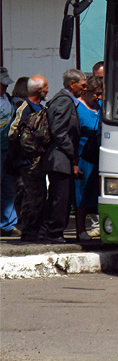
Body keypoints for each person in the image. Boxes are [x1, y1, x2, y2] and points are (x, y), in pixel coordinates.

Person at [37, 69, 85, 245]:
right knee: (60, 198)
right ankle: (54, 232)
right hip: (59, 158)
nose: (84, 89)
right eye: (83, 85)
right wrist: (71, 152)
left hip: (58, 157)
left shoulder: (62, 100)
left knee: (57, 196)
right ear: (72, 84)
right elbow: (59, 131)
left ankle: (46, 232)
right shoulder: (64, 101)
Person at [12, 76, 49, 243]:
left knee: (39, 196)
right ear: (39, 90)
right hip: (28, 162)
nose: (48, 90)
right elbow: (13, 134)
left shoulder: (39, 107)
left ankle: (35, 230)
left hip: (38, 161)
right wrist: (30, 152)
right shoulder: (24, 108)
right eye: (46, 87)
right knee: (31, 197)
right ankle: (28, 232)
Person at [74, 75, 102, 241]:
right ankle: (80, 229)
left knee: (97, 193)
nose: (98, 97)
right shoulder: (78, 108)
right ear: (86, 91)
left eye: (100, 94)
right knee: (82, 194)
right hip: (83, 157)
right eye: (95, 94)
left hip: (99, 157)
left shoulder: (101, 106)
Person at [0, 67, 19, 237]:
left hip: (8, 150)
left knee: (9, 188)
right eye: (2, 85)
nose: (5, 88)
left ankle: (8, 224)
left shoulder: (9, 100)